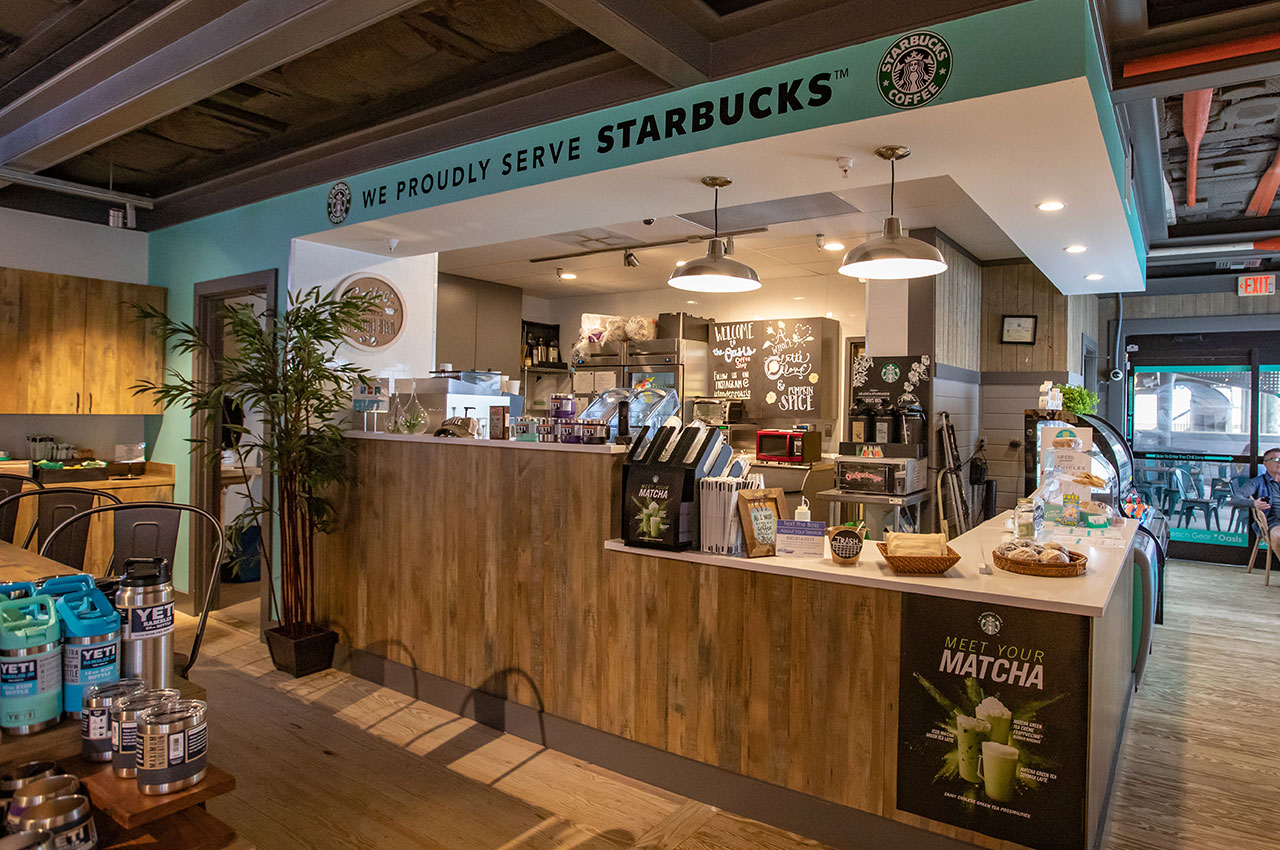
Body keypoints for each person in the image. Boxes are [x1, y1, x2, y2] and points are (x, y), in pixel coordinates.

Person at [1249, 447, 1280, 550]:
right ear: (1265, 464)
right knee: (1278, 536)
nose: (1279, 462)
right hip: (1274, 522)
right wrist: (1254, 503)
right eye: (1276, 459)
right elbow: (1235, 498)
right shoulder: (1257, 482)